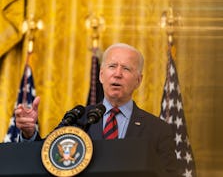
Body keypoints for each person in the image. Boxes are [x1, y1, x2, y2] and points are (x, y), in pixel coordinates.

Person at [15, 43, 178, 176]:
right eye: (112, 66)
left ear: (138, 80)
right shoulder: (78, 118)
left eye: (126, 69)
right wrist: (29, 133)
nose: (118, 74)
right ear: (101, 75)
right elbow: (48, 156)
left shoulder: (158, 129)